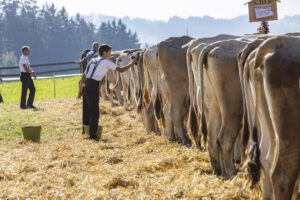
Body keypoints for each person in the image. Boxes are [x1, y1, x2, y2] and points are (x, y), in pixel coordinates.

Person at [78, 44, 137, 140]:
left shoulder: (93, 60)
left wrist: (80, 90)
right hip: (93, 86)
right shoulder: (106, 62)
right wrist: (132, 63)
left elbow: (84, 76)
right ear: (104, 53)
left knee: (86, 110)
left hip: (86, 85)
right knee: (94, 112)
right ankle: (92, 136)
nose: (110, 54)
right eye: (109, 52)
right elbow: (121, 70)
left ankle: (85, 131)